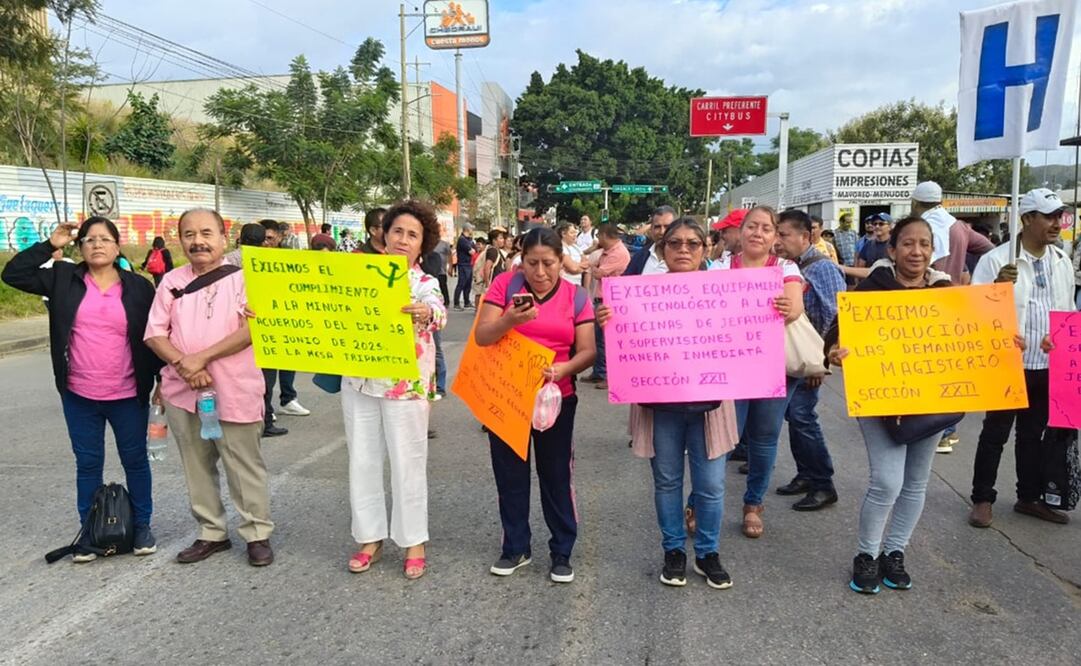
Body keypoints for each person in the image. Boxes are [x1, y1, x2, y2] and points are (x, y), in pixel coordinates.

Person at [2, 216, 162, 561]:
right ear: (80, 247)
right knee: (88, 464)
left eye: (105, 239)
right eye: (89, 239)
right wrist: (50, 245)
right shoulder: (63, 279)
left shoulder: (139, 287)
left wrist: (162, 380)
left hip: (127, 393)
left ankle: (142, 526)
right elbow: (12, 274)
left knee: (135, 461)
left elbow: (155, 334)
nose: (97, 244)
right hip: (79, 394)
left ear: (117, 247)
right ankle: (89, 534)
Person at [597, 219, 739, 589]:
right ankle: (673, 549)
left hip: (710, 403)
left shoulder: (726, 291)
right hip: (660, 403)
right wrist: (609, 321)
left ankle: (707, 552)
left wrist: (777, 309)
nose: (684, 249)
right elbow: (624, 343)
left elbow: (748, 331)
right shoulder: (640, 293)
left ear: (705, 249)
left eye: (693, 243)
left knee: (711, 484)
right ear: (662, 249)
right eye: (675, 243)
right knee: (667, 480)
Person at [825, 216, 954, 594]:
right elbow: (836, 334)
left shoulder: (947, 293)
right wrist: (834, 351)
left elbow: (972, 339)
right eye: (908, 243)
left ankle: (894, 552)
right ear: (892, 250)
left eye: (924, 244)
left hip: (930, 400)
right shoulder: (871, 290)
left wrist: (1005, 342)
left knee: (915, 482)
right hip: (880, 401)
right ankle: (866, 555)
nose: (917, 251)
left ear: (933, 251)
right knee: (886, 481)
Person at [144, 208, 275, 567]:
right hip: (183, 390)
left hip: (235, 388)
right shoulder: (171, 281)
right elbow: (154, 333)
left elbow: (252, 331)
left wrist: (200, 359)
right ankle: (211, 532)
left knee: (243, 464)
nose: (198, 241)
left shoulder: (247, 279)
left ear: (223, 236)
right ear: (180, 239)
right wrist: (183, 365)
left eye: (206, 233)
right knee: (197, 464)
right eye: (189, 235)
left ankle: (257, 533)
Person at [475, 227, 596, 584]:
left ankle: (562, 550)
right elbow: (482, 336)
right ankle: (515, 547)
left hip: (556, 397)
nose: (540, 272)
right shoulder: (505, 287)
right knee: (510, 474)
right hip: (507, 396)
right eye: (532, 263)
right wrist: (509, 320)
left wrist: (564, 369)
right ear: (521, 261)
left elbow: (588, 351)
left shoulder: (576, 297)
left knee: (556, 475)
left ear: (561, 261)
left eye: (548, 263)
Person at [342, 200, 447, 580]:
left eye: (412, 235)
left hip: (406, 387)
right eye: (397, 231)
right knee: (362, 461)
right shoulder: (355, 275)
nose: (403, 239)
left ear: (422, 244)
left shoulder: (425, 284)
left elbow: (438, 312)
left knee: (408, 463)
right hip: (359, 381)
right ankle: (369, 537)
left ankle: (413, 540)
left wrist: (426, 312)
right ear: (383, 235)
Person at [968, 188, 1077, 528]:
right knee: (995, 433)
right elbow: (973, 313)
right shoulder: (997, 261)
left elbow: (1067, 310)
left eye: (1059, 216)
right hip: (1007, 363)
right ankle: (982, 498)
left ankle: (1028, 497)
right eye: (1048, 216)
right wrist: (996, 286)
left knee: (1033, 434)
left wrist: (1058, 337)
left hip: (1047, 365)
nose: (1057, 224)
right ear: (1027, 218)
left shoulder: (1061, 261)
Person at [708, 205, 804, 539]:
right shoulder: (720, 266)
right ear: (741, 230)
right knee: (721, 437)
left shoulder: (786, 268)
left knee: (764, 439)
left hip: (770, 367)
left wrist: (787, 308)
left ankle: (753, 503)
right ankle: (701, 501)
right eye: (752, 226)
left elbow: (795, 307)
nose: (757, 233)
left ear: (775, 235)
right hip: (729, 367)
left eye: (766, 228)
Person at [775, 210, 845, 511]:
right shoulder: (789, 266)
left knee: (802, 416)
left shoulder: (822, 267)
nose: (778, 241)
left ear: (805, 236)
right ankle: (805, 474)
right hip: (794, 357)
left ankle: (822, 483)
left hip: (811, 358)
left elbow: (836, 316)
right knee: (795, 416)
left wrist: (820, 362)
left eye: (784, 235)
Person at [258, 220, 309, 432]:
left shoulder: (288, 259)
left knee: (288, 361)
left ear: (279, 237)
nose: (266, 243)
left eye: (270, 238)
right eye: (262, 239)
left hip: (287, 319)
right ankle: (266, 410)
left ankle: (288, 399)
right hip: (263, 323)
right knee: (266, 371)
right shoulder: (251, 261)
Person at [584, 224, 630, 389]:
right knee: (598, 339)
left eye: (598, 236)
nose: (597, 240)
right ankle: (599, 371)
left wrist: (592, 266)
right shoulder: (607, 251)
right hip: (601, 298)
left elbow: (598, 273)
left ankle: (608, 375)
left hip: (610, 301)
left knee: (607, 340)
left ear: (604, 235)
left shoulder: (618, 253)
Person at [625, 206, 677, 276]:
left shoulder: (684, 259)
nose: (662, 232)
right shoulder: (640, 256)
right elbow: (626, 280)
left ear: (676, 229)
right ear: (651, 229)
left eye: (667, 227)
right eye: (657, 227)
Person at [454, 223, 477, 310]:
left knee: (468, 284)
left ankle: (466, 302)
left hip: (469, 264)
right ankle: (456, 303)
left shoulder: (469, 239)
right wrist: (473, 249)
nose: (472, 230)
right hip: (463, 264)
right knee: (461, 283)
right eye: (471, 229)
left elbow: (475, 250)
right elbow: (472, 251)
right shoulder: (462, 240)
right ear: (467, 229)